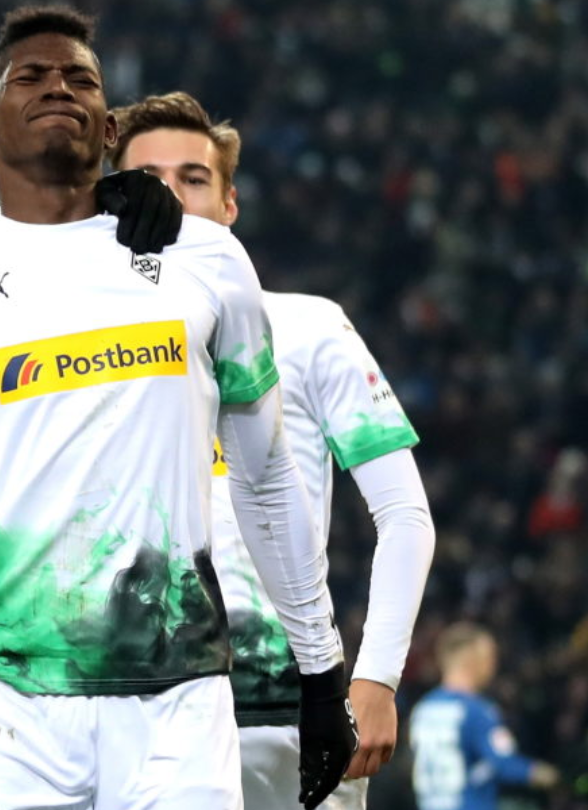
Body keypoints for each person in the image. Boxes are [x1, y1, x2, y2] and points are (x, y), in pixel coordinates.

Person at [0, 6, 357, 809]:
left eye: (81, 79)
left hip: (180, 700)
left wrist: (322, 671)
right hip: (2, 709)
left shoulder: (205, 259)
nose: (59, 86)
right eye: (32, 76)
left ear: (110, 124)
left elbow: (267, 480)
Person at [109, 91, 437, 809]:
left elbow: (405, 514)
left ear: (229, 205)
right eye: (149, 179)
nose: (171, 196)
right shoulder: (79, 348)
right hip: (139, 725)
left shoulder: (310, 329)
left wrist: (376, 678)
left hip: (296, 722)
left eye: (194, 178)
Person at [409, 622, 559, 810]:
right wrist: (543, 774)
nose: (493, 665)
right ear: (470, 659)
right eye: (489, 657)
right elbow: (503, 763)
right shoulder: (475, 710)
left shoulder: (423, 709)